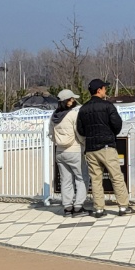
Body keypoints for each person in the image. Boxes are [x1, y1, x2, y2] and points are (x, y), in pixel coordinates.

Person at [76, 78, 132, 217]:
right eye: (104, 88)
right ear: (99, 90)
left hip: (90, 148)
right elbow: (117, 124)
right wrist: (110, 133)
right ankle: (123, 206)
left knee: (95, 179)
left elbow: (80, 130)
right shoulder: (108, 106)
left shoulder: (83, 109)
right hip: (107, 146)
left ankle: (99, 208)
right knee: (116, 176)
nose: (106, 90)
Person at [50, 89, 86, 217]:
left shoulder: (54, 116)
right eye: (72, 99)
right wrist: (83, 143)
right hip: (74, 150)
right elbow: (79, 133)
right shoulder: (73, 115)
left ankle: (67, 207)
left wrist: (58, 143)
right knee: (81, 178)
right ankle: (78, 207)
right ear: (68, 101)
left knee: (66, 180)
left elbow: (51, 134)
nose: (74, 100)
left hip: (60, 151)